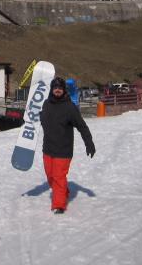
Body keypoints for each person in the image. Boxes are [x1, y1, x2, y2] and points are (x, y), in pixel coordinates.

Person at [39, 77, 95, 215]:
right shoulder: (46, 104)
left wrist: (89, 143)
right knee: (50, 176)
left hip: (63, 150)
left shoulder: (70, 107)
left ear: (64, 91)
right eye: (55, 88)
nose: (57, 90)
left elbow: (82, 126)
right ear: (52, 90)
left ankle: (59, 205)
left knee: (59, 177)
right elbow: (43, 120)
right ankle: (63, 191)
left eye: (60, 88)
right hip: (48, 148)